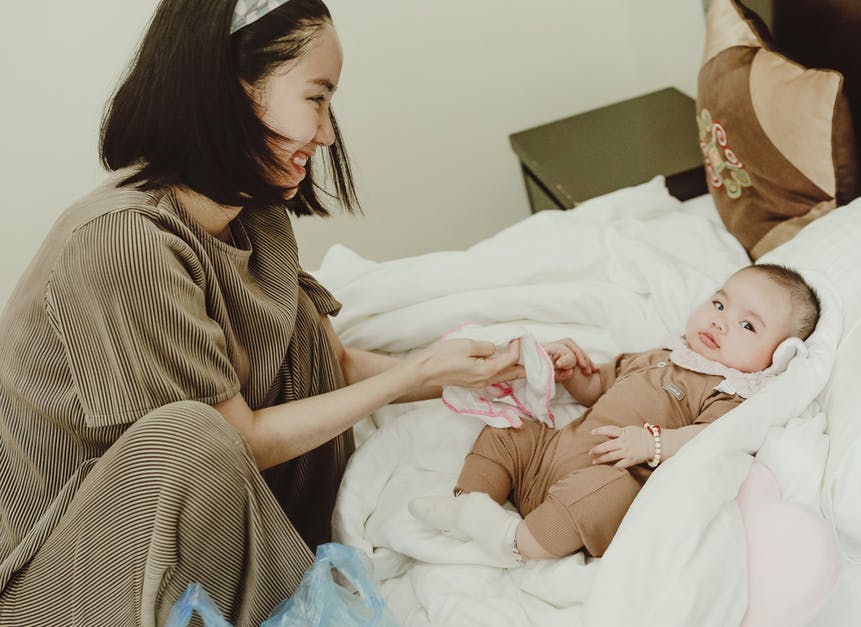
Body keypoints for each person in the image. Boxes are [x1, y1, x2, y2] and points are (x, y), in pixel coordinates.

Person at [0, 1, 522, 624]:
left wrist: (470, 374)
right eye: (316, 99)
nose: (327, 133)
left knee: (300, 330)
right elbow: (229, 443)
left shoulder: (256, 213)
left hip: (191, 543)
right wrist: (408, 378)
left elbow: (334, 362)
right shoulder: (125, 241)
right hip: (64, 577)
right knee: (193, 434)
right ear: (231, 92)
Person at [410, 264, 820, 566]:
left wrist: (654, 443)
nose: (720, 321)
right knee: (511, 428)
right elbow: (598, 387)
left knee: (608, 492)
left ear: (776, 358)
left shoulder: (727, 392)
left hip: (601, 479)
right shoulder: (659, 356)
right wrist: (572, 374)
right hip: (553, 452)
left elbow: (714, 440)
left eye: (748, 326)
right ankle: (469, 503)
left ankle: (512, 541)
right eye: (719, 303)